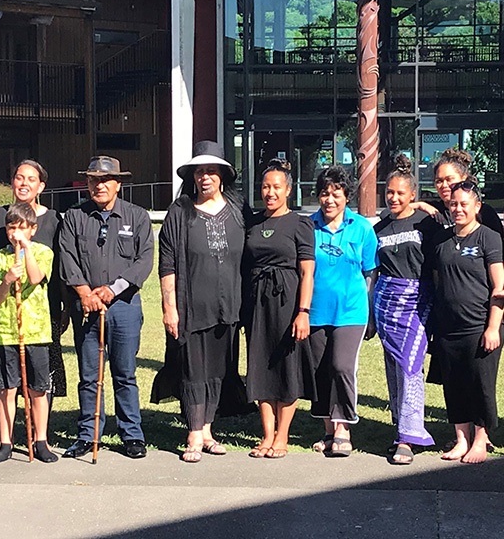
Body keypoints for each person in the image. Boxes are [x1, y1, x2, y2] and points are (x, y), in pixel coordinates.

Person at [151, 141, 251, 463]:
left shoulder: (238, 212)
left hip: (229, 307)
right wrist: (170, 307)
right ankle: (194, 433)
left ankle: (208, 430)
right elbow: (167, 262)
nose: (205, 177)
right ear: (192, 177)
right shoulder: (180, 212)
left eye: (211, 171)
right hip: (192, 306)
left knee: (219, 369)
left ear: (222, 175)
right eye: (199, 172)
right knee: (194, 369)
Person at [59, 156, 154, 459]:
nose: (99, 185)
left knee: (125, 373)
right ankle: (88, 434)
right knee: (90, 375)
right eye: (93, 180)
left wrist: (113, 290)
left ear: (118, 184)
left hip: (123, 306)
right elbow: (67, 257)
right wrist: (85, 292)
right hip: (85, 306)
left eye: (105, 180)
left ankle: (132, 434)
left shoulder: (137, 216)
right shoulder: (74, 217)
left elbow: (144, 261)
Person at [0, 160, 67, 402]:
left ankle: (40, 435)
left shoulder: (55, 221)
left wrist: (66, 306)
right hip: (3, 309)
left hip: (42, 309)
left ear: (41, 187)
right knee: (6, 376)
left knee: (42, 374)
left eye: (31, 179)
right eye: (19, 177)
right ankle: (7, 433)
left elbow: (60, 268)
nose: (24, 183)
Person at [243, 159, 316, 459]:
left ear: (288, 189)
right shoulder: (253, 222)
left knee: (286, 366)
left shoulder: (300, 224)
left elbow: (307, 272)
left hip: (288, 301)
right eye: (265, 187)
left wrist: (304, 311)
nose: (270, 192)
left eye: (276, 187)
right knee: (259, 365)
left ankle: (282, 436)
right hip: (256, 301)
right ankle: (267, 435)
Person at [373, 155, 441, 464]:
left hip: (416, 303)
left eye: (401, 193)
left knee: (410, 366)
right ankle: (399, 430)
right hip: (386, 304)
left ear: (412, 194)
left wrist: (428, 209)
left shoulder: (427, 222)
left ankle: (409, 437)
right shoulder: (380, 227)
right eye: (390, 192)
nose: (394, 198)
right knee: (392, 368)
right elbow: (374, 271)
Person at [431, 180, 504, 464]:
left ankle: (480, 439)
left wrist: (493, 327)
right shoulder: (443, 240)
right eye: (453, 204)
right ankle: (461, 439)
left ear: (477, 206)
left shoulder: (488, 237)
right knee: (454, 385)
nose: (458, 209)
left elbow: (500, 287)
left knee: (480, 385)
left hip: (480, 327)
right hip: (448, 328)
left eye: (464, 204)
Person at [308, 166, 378, 457]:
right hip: (314, 311)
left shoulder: (361, 228)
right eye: (325, 194)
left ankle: (343, 428)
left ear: (346, 196)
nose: (330, 200)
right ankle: (328, 430)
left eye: (336, 194)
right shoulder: (308, 226)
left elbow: (370, 272)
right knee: (320, 370)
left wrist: (369, 308)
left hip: (351, 311)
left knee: (341, 366)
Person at [0, 203, 58, 465]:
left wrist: (26, 249)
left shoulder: (43, 252)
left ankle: (41, 441)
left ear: (33, 229)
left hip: (36, 331)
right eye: (12, 228)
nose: (16, 233)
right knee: (7, 388)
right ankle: (5, 442)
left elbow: (36, 278)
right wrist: (6, 280)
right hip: (6, 331)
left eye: (22, 228)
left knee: (38, 388)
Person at [414, 147, 503, 236]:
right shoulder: (432, 211)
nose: (444, 185)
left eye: (449, 179)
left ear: (463, 178)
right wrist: (419, 205)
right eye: (439, 181)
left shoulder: (484, 213)